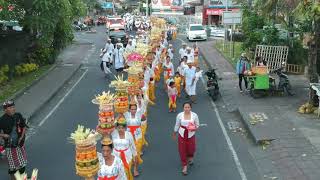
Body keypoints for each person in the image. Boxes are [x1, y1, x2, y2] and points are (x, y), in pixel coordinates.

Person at [0, 100, 27, 180]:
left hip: (20, 145)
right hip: (10, 147)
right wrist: (3, 135)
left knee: (22, 164)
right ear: (5, 110)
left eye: (13, 107)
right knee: (13, 168)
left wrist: (22, 137)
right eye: (11, 107)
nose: (13, 109)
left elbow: (23, 126)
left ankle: (21, 178)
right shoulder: (2, 120)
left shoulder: (18, 115)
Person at [172, 102, 200, 175]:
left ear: (191, 108)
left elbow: (197, 125)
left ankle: (190, 156)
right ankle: (184, 166)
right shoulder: (179, 115)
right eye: (185, 107)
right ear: (183, 108)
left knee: (191, 148)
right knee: (182, 150)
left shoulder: (194, 115)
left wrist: (194, 128)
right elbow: (177, 124)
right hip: (182, 134)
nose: (187, 109)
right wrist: (175, 133)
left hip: (191, 134)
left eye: (188, 107)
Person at [124, 103, 143, 176]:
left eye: (135, 109)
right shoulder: (126, 114)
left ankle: (135, 169)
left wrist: (139, 100)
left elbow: (142, 104)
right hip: (128, 136)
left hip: (138, 136)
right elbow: (121, 109)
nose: (133, 110)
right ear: (129, 109)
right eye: (132, 109)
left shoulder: (139, 114)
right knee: (128, 154)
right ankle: (128, 169)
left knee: (136, 154)